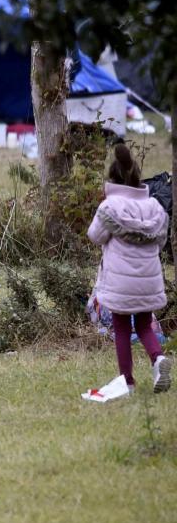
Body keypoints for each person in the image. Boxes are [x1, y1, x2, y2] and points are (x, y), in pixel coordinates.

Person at [87, 144, 172, 394]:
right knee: (145, 326)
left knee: (122, 328)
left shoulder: (109, 207)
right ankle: (157, 359)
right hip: (148, 280)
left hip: (120, 283)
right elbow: (162, 240)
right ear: (136, 177)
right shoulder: (155, 207)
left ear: (112, 178)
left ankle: (128, 381)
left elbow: (95, 236)